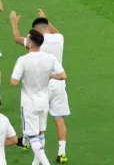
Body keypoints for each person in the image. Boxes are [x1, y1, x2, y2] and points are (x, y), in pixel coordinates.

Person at [10, 10, 71, 163]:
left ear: (34, 35)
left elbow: (17, 38)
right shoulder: (59, 38)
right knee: (59, 119)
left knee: (32, 121)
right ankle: (61, 152)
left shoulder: (33, 47)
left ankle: (26, 141)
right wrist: (45, 18)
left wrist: (14, 23)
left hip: (40, 88)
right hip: (58, 85)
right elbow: (54, 31)